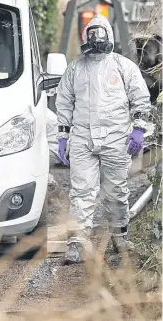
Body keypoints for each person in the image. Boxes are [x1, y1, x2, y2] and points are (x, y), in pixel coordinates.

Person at [55, 14, 150, 264]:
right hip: (83, 139)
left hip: (116, 138)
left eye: (100, 35)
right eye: (92, 36)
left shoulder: (123, 66)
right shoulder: (75, 69)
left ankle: (120, 237)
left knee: (116, 191)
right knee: (82, 192)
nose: (96, 41)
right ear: (86, 37)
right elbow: (64, 103)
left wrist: (138, 129)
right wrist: (63, 137)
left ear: (108, 35)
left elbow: (140, 98)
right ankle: (77, 242)